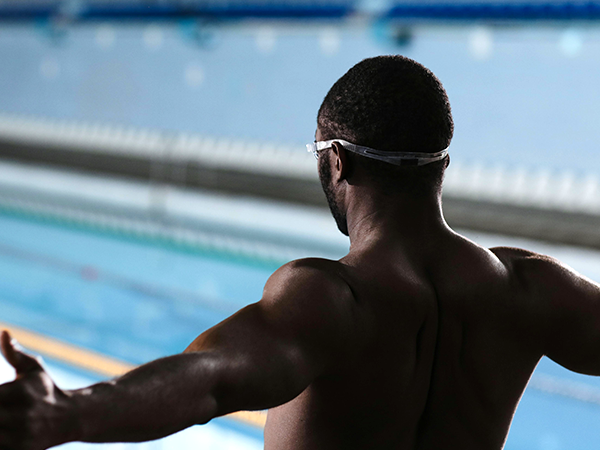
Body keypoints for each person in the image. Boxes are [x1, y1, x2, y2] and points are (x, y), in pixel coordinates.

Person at [1, 55, 600, 450]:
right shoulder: (531, 290)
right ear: (442, 164)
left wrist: (69, 412)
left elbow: (211, 381)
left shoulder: (332, 299)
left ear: (337, 159)